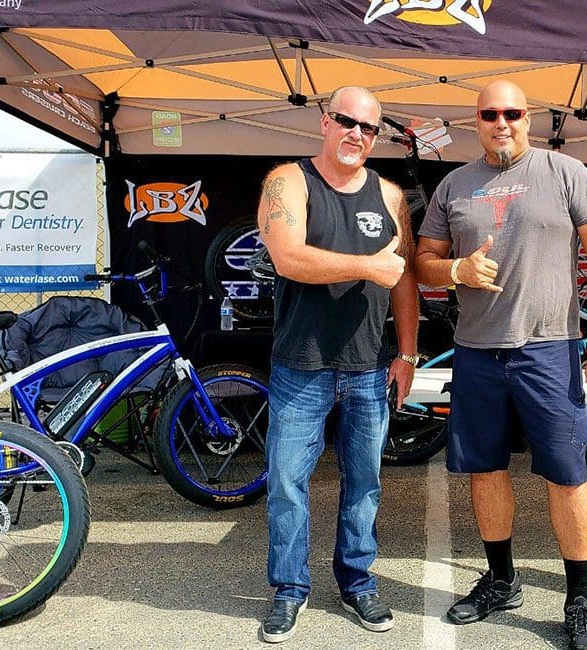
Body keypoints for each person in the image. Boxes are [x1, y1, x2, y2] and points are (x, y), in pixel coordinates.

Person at [414, 79, 587, 650]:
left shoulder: (565, 173)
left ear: (529, 118)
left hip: (550, 349)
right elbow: (423, 262)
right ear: (474, 121)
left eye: (512, 112)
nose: (500, 122)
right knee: (486, 470)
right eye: (489, 114)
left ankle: (578, 599)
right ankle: (502, 579)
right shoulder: (454, 185)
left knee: (567, 474)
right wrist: (455, 270)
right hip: (478, 351)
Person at [255, 86, 419, 643]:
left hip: (371, 367)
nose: (356, 134)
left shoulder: (391, 196)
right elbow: (288, 256)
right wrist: (367, 267)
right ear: (325, 123)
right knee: (286, 483)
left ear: (376, 136)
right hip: (301, 366)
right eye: (346, 121)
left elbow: (404, 278)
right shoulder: (288, 182)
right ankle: (289, 590)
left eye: (368, 128)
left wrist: (407, 352)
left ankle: (357, 581)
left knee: (365, 482)